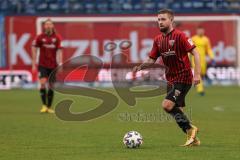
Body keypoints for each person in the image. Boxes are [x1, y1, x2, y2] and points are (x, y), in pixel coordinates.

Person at [133, 9, 201, 146]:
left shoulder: (181, 36)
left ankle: (191, 129)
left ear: (171, 20)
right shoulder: (158, 40)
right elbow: (152, 59)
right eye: (158, 19)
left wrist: (197, 74)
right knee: (178, 112)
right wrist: (141, 66)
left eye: (163, 19)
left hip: (183, 77)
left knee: (167, 105)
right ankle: (193, 139)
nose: (160, 22)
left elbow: (196, 53)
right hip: (170, 79)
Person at [32, 19, 63, 113]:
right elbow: (34, 49)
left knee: (51, 85)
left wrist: (60, 63)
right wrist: (34, 63)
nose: (48, 26)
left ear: (53, 26)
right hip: (42, 64)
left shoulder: (57, 37)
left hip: (53, 65)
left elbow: (60, 51)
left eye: (50, 24)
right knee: (42, 82)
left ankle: (49, 107)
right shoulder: (40, 37)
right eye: (47, 24)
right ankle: (44, 105)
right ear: (44, 26)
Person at [191, 26, 214, 96]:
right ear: (197, 31)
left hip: (203, 60)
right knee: (198, 74)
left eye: (202, 30)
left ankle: (195, 83)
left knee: (202, 74)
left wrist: (212, 57)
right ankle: (200, 90)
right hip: (194, 59)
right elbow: (189, 49)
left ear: (203, 31)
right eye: (199, 30)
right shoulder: (193, 39)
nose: (200, 32)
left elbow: (209, 49)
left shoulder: (206, 39)